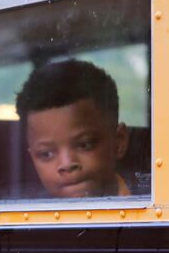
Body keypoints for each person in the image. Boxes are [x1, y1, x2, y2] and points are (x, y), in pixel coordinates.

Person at [16, 59, 130, 198]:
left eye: (84, 144)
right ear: (32, 159)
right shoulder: (25, 213)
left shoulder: (145, 199)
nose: (67, 164)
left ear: (119, 142)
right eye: (46, 154)